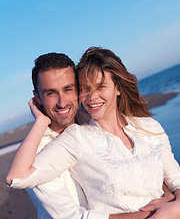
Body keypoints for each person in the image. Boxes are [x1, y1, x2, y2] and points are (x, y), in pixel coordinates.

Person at [7, 48, 180, 218]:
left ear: (118, 88)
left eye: (68, 89)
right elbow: (18, 179)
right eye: (51, 93)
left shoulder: (147, 126)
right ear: (37, 98)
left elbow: (166, 176)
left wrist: (173, 201)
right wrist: (159, 214)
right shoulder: (68, 139)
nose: (62, 102)